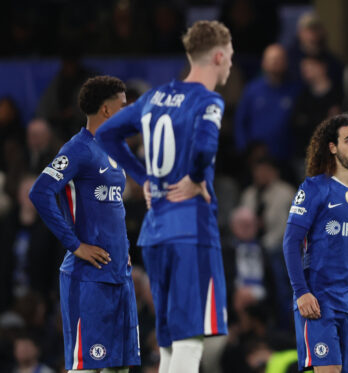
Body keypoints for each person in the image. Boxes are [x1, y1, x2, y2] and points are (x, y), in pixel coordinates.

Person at [95, 20, 233, 373]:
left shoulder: (154, 97)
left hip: (155, 232)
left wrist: (143, 178)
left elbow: (106, 133)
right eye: (230, 55)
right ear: (219, 56)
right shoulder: (208, 100)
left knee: (170, 339)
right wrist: (196, 178)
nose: (231, 63)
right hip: (191, 229)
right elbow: (205, 147)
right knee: (190, 337)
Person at [28, 76, 137, 372]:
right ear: (106, 109)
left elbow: (112, 208)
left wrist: (123, 248)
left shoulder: (113, 149)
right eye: (123, 105)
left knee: (120, 367)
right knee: (86, 366)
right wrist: (75, 245)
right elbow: (39, 192)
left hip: (119, 274)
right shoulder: (78, 149)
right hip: (88, 278)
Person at [283, 113, 348, 372]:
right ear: (332, 147)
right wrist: (301, 291)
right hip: (319, 302)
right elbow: (291, 242)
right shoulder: (313, 189)